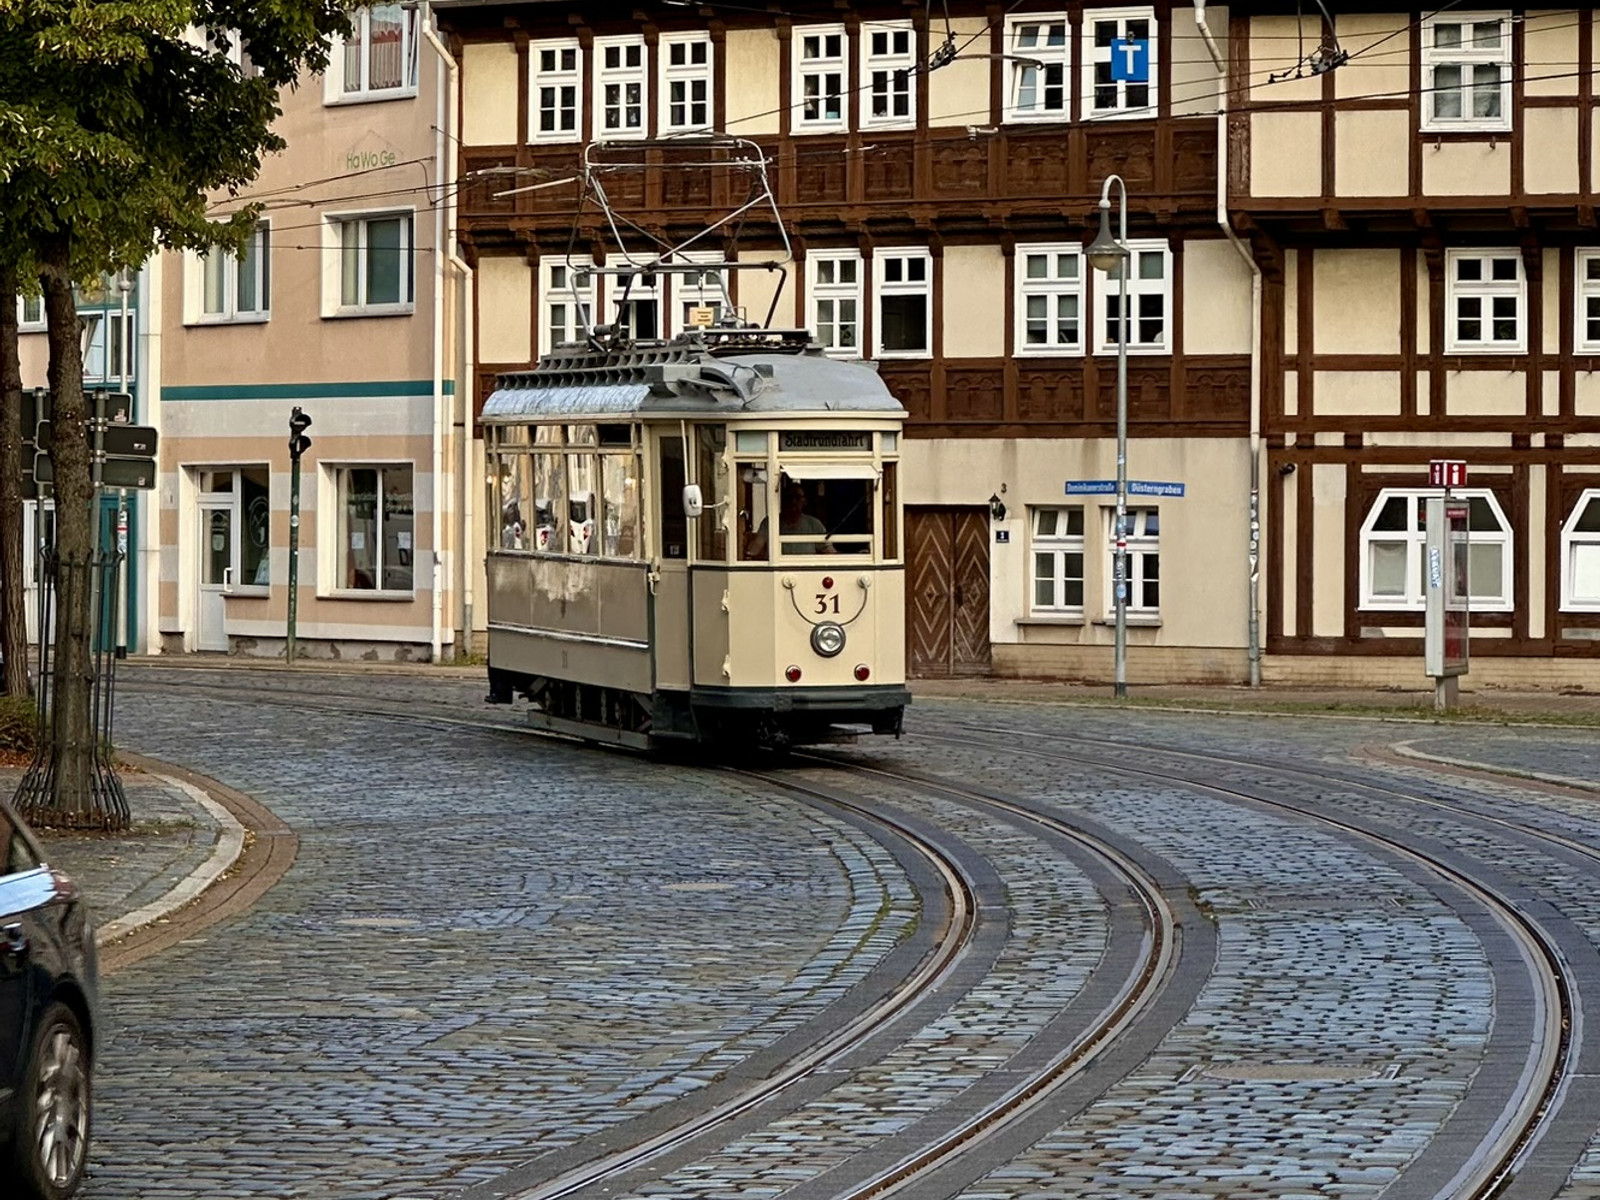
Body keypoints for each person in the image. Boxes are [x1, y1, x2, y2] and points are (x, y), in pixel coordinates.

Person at [745, 481, 833, 558]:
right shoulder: (770, 523)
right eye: (789, 498)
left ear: (804, 501)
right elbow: (756, 547)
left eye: (797, 497)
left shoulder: (814, 524)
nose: (793, 501)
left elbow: (829, 551)